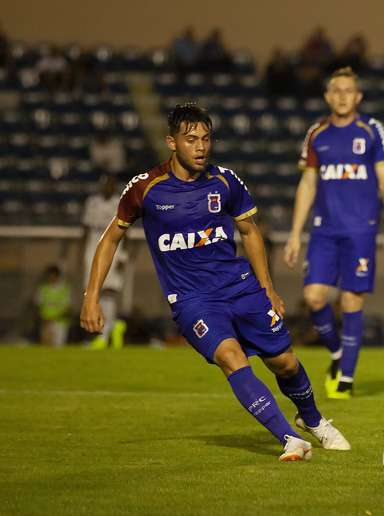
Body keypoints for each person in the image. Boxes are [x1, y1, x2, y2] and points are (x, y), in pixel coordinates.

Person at [80, 104, 350, 461]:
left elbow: (250, 232)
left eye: (206, 139)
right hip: (193, 300)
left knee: (284, 362)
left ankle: (313, 421)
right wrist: (91, 296)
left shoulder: (225, 180)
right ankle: (288, 437)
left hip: (239, 287)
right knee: (230, 356)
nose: (201, 147)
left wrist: (267, 287)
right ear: (172, 142)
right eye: (191, 139)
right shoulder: (146, 188)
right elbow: (110, 238)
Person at [284, 67, 384, 399]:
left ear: (358, 96)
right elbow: (307, 183)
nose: (342, 96)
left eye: (348, 90)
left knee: (351, 299)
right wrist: (295, 233)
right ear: (327, 96)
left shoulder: (372, 130)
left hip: (361, 230)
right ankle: (337, 352)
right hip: (323, 230)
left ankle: (346, 379)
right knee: (313, 297)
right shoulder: (317, 133)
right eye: (336, 90)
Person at [82, 174, 128, 350]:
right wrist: (82, 253)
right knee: (92, 289)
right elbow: (85, 227)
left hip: (114, 244)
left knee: (109, 290)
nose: (107, 187)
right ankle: (113, 326)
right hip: (93, 242)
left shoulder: (120, 201)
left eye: (110, 184)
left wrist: (123, 255)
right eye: (104, 184)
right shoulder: (92, 202)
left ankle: (105, 334)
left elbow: (127, 230)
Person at [37, 265, 71, 348]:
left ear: (57, 276)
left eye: (53, 275)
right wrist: (44, 318)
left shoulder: (65, 289)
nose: (51, 278)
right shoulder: (43, 289)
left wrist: (54, 318)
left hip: (60, 323)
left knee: (58, 346)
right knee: (46, 346)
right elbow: (38, 306)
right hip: (46, 322)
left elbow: (68, 308)